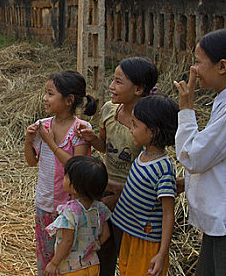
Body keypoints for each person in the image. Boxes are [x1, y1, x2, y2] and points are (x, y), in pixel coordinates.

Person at [75, 56, 158, 276]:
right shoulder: (110, 110)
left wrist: (118, 190)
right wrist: (92, 139)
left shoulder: (148, 123)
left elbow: (149, 163)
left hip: (135, 198)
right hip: (106, 193)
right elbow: (105, 147)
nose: (111, 86)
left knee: (128, 249)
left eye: (119, 82)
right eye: (113, 80)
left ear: (139, 89)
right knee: (103, 248)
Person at [25, 70, 97, 275]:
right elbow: (31, 162)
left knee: (66, 258)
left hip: (69, 208)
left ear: (69, 100)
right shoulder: (43, 125)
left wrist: (50, 142)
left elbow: (76, 167)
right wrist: (29, 140)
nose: (44, 98)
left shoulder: (81, 129)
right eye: (45, 93)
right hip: (44, 203)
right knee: (45, 257)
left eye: (50, 93)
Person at [174, 29, 226, 276]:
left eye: (197, 62)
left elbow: (194, 157)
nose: (193, 70)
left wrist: (186, 109)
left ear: (222, 66)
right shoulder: (220, 101)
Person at [111, 95, 179, 276]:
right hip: (131, 234)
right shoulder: (143, 154)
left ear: (153, 131)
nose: (131, 130)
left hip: (147, 242)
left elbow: (168, 213)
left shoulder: (163, 168)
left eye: (134, 125)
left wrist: (162, 253)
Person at [44, 156, 111, 276]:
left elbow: (67, 241)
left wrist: (54, 263)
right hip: (93, 265)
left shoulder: (70, 211)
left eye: (66, 176)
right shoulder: (100, 208)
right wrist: (89, 247)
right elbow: (106, 234)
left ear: (74, 187)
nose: (63, 178)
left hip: (72, 269)